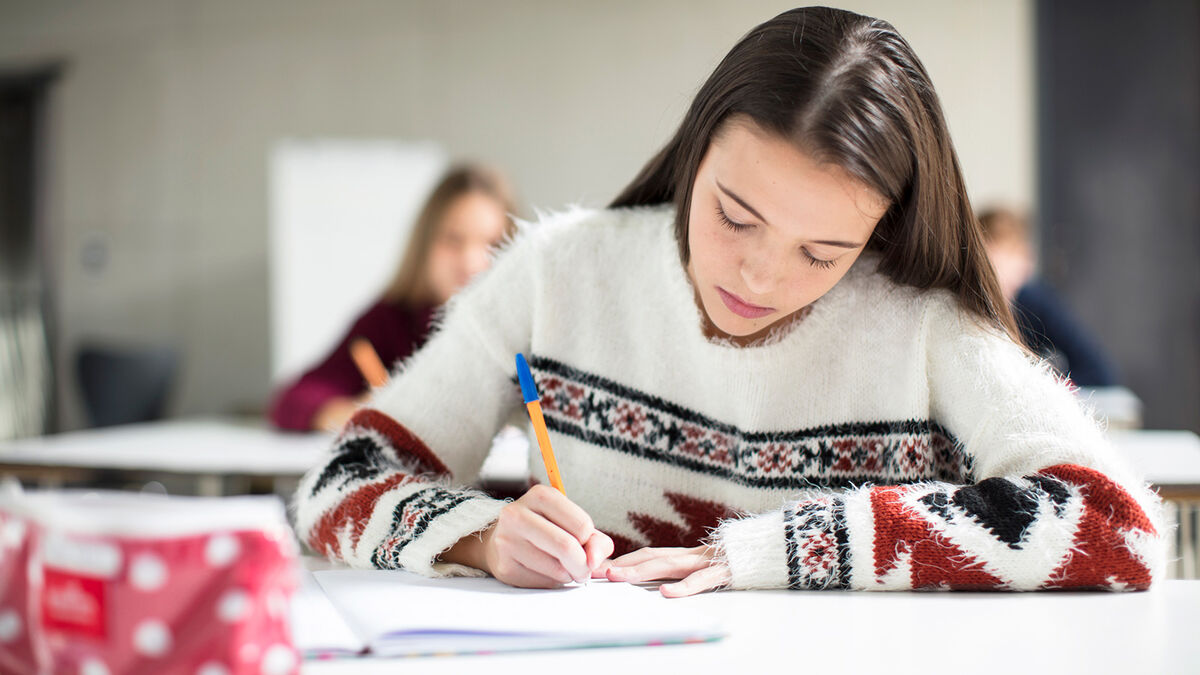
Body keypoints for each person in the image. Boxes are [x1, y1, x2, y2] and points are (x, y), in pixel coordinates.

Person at [294, 7, 1164, 595]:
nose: (757, 278)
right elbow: (340, 481)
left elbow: (1122, 528)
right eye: (734, 217)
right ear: (696, 149)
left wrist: (771, 552)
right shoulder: (560, 271)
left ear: (878, 234)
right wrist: (481, 537)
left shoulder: (918, 324)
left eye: (823, 253)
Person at [268, 165, 516, 431]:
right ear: (425, 245)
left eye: (492, 244)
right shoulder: (389, 320)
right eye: (453, 240)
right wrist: (352, 414)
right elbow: (293, 400)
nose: (471, 261)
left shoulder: (525, 327)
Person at [978, 206, 1119, 387]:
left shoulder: (1035, 302)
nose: (1001, 273)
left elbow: (1098, 371)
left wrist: (1044, 387)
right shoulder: (968, 308)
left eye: (1013, 257)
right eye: (993, 261)